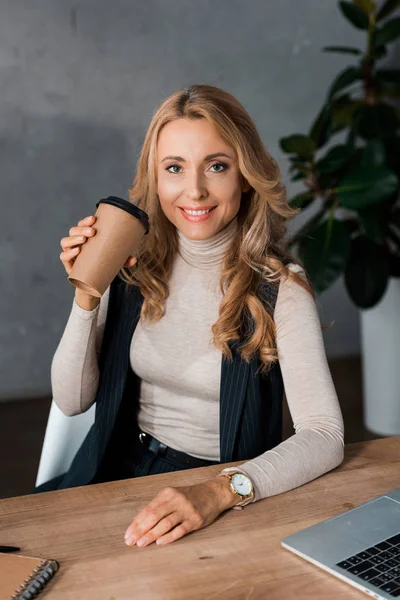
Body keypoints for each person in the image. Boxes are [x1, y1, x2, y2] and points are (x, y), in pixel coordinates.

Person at [35, 84, 344, 549]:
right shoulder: (132, 263)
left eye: (216, 166)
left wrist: (220, 491)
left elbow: (325, 436)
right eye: (174, 168)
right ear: (155, 179)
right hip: (110, 469)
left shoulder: (281, 288)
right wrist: (87, 290)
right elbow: (72, 399)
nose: (194, 189)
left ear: (244, 175)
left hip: (213, 494)